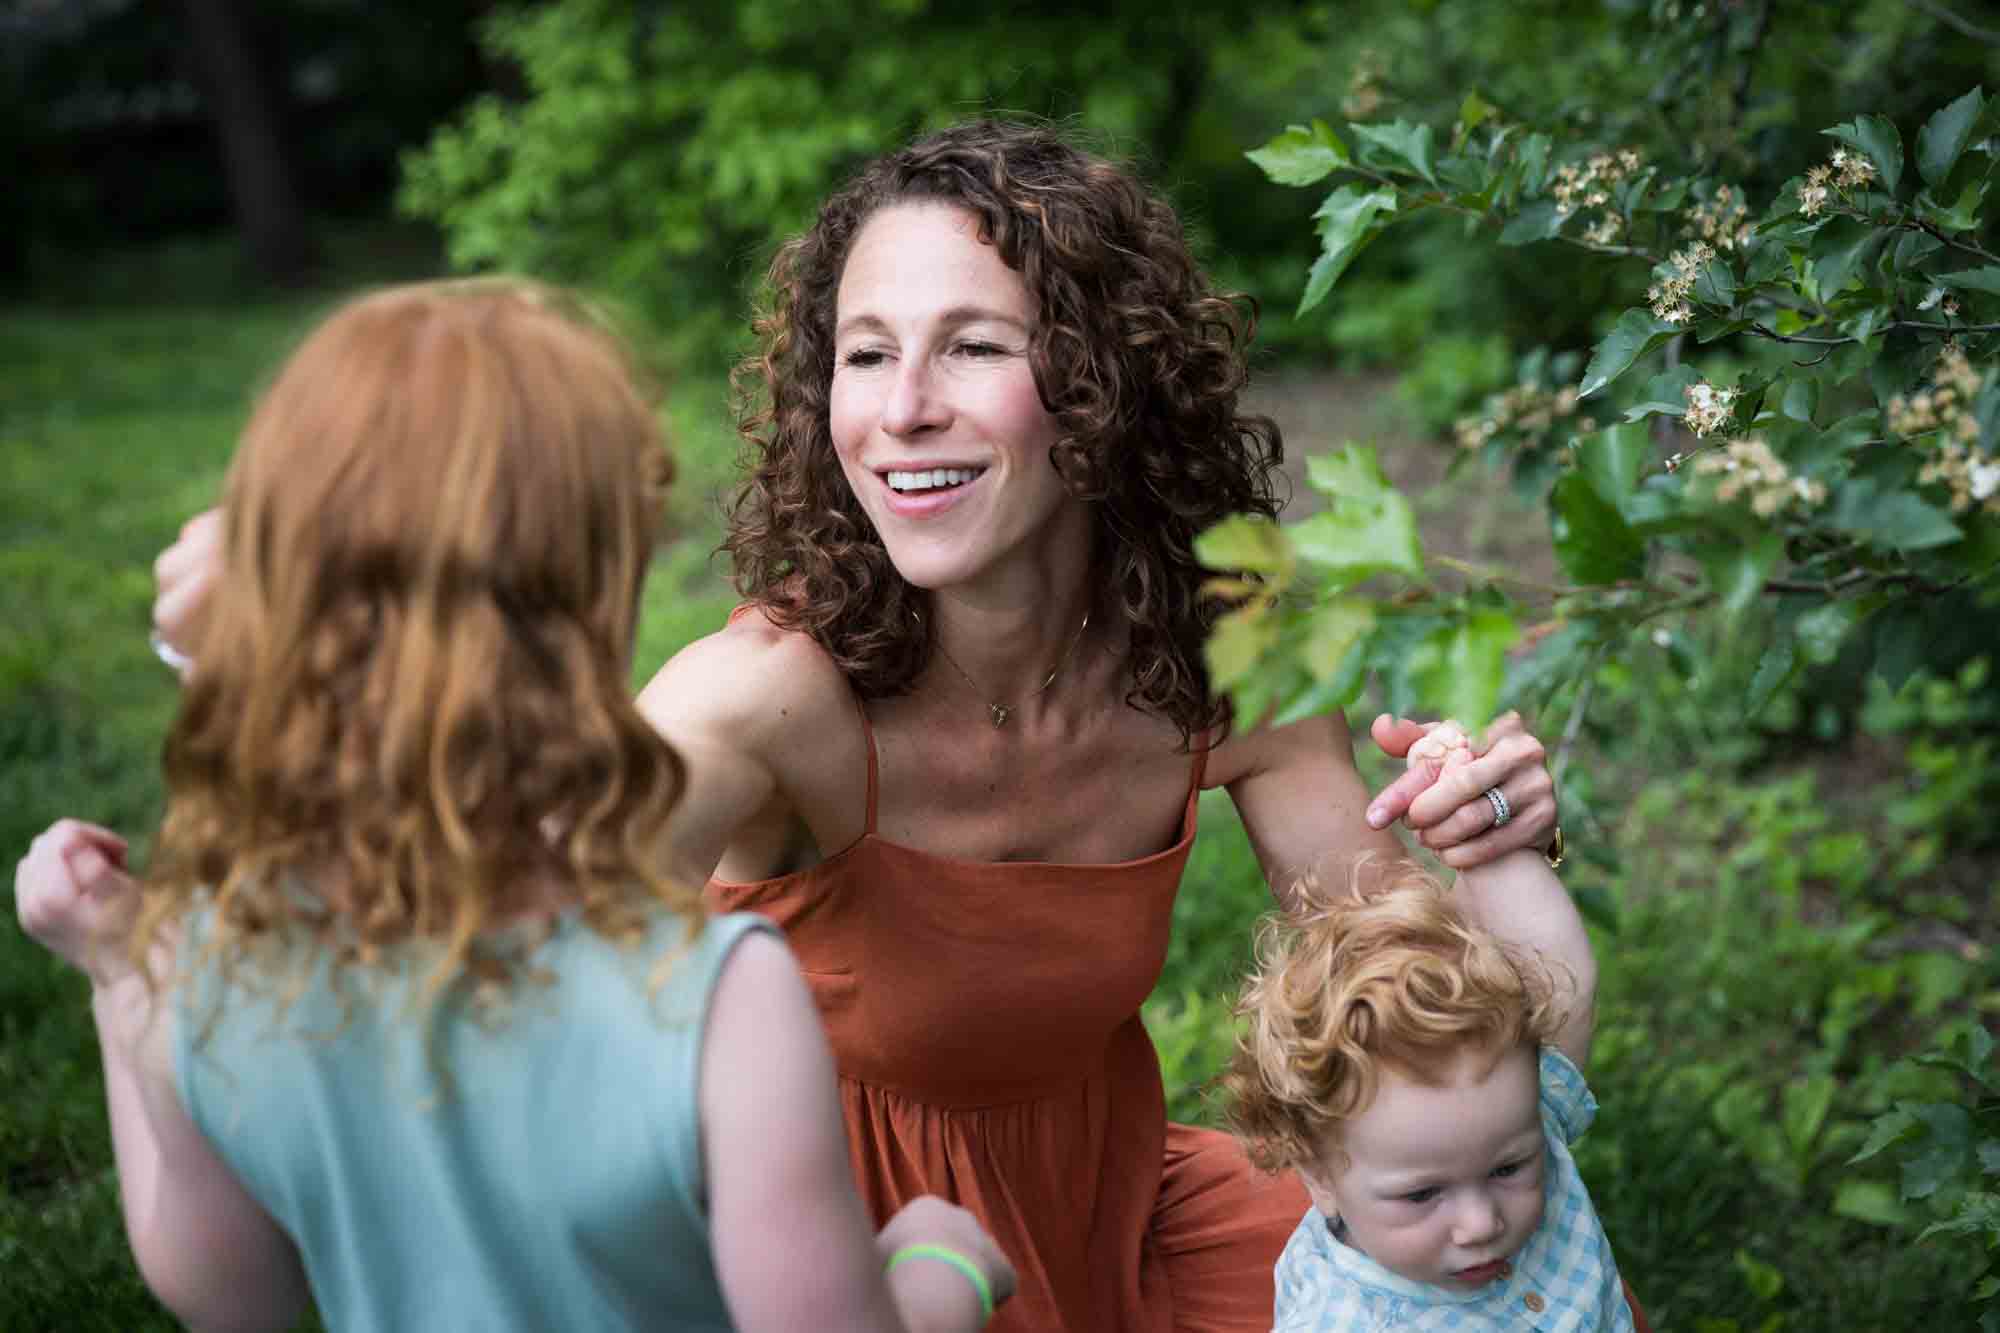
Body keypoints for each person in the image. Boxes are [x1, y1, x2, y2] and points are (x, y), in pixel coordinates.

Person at [152, 122, 1564, 1331]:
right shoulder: (767, 698)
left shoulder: (1229, 650)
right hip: (841, 1256)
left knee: (1481, 1274)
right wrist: (281, 651)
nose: (900, 413)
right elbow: (480, 908)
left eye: (973, 348)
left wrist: (1496, 842)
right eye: (864, 353)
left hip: (1113, 1200)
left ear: (1102, 380)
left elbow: (1443, 1041)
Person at [16, 278, 1013, 1332]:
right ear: (596, 599)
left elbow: (230, 1295)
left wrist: (124, 982)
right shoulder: (712, 996)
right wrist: (936, 1260)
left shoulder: (226, 952)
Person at [1222, 729, 1649, 1330]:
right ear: (1319, 1175)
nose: (1482, 1224)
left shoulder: (1507, 1109)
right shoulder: (1345, 1321)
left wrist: (1471, 814)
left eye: (1509, 1169)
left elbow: (1561, 975)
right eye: (1422, 1195)